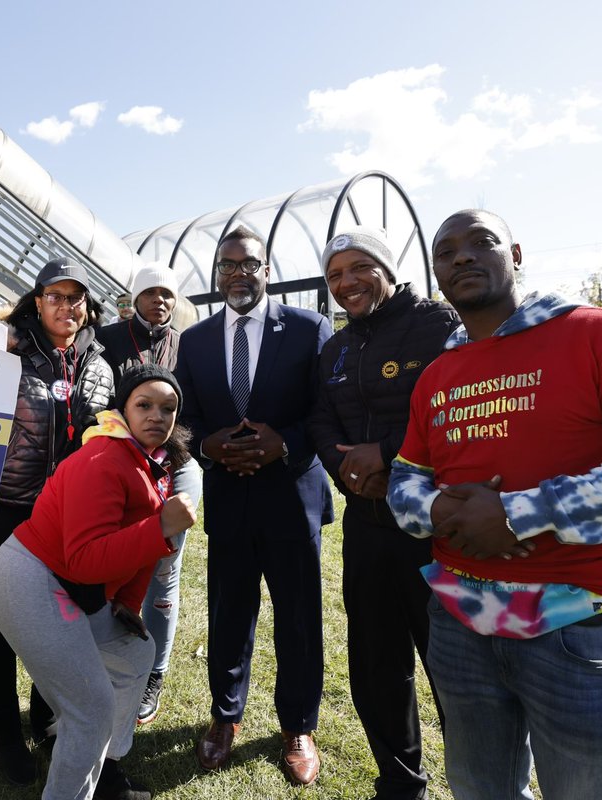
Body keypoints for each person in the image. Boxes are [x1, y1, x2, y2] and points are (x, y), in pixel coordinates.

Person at [388, 209, 602, 800]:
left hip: (577, 623)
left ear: (515, 254)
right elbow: (404, 486)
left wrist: (518, 513)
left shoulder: (597, 332)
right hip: (458, 621)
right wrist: (444, 514)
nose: (462, 256)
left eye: (481, 242)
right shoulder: (438, 373)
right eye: (446, 251)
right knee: (480, 787)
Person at [0, 364, 197, 800]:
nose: (157, 416)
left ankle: (103, 771)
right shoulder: (103, 458)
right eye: (145, 405)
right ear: (123, 408)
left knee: (136, 652)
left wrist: (126, 602)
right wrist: (160, 527)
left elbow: (134, 552)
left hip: (68, 586)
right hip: (33, 579)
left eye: (168, 408)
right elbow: (84, 560)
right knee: (91, 709)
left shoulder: (148, 461)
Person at [173, 225, 334, 785]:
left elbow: (325, 411)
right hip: (229, 498)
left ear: (268, 271)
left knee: (298, 617)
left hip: (291, 498)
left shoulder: (310, 328)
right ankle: (225, 716)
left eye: (249, 264)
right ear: (217, 275)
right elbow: (183, 419)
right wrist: (207, 447)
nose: (237, 273)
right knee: (229, 615)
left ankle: (297, 725)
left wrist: (283, 443)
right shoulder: (194, 341)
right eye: (227, 266)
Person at [307, 227, 459, 800]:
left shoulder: (440, 325)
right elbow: (320, 415)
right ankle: (399, 784)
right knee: (376, 665)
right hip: (366, 526)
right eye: (334, 275)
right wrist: (343, 463)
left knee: (453, 668)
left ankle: (477, 778)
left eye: (359, 267)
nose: (347, 282)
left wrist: (389, 454)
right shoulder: (336, 348)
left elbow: (459, 411)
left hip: (435, 531)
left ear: (388, 267)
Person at [0, 257, 115, 784]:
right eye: (54, 295)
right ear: (36, 301)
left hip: (71, 517)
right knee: (1, 625)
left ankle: (44, 715)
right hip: (6, 510)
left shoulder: (101, 359)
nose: (66, 306)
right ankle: (6, 735)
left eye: (75, 297)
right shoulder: (7, 346)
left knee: (61, 619)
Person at [97, 263, 203, 724]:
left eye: (167, 294)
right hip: (120, 464)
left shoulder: (189, 343)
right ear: (134, 296)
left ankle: (154, 671)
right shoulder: (107, 338)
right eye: (151, 292)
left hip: (177, 463)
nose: (160, 301)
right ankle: (108, 661)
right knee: (116, 563)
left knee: (164, 569)